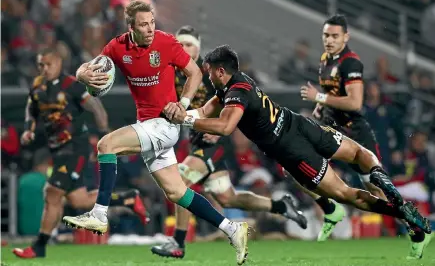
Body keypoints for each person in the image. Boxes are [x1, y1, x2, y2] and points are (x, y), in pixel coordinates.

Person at [163, 45, 432, 249]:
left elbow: (224, 127)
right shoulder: (238, 82)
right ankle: (386, 185)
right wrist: (182, 111)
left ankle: (402, 212)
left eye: (209, 71)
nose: (207, 76)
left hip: (292, 151)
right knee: (361, 154)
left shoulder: (235, 93)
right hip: (300, 124)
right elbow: (204, 112)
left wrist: (184, 120)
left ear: (220, 70)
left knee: (346, 194)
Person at [61, 1, 250, 265]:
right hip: (148, 124)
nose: (150, 29)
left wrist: (182, 104)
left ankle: (100, 213)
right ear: (131, 27)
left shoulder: (166, 43)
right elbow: (88, 66)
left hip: (165, 124)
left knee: (106, 145)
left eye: (151, 22)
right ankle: (233, 229)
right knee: (177, 192)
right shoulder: (117, 47)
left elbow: (195, 73)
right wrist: (83, 75)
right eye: (143, 25)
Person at [151, 26, 306, 259]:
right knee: (228, 197)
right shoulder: (173, 73)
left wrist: (220, 132)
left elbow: (233, 103)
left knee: (179, 182)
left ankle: (178, 242)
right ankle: (281, 206)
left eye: (190, 44)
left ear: (199, 47)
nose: (185, 49)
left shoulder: (209, 72)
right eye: (180, 45)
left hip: (214, 142)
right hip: (197, 141)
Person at [300, 14, 432, 259]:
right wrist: (320, 108)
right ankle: (330, 208)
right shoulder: (325, 61)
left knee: (378, 195)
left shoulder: (351, 64)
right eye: (326, 35)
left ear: (346, 37)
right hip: (333, 131)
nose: (329, 40)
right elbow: (331, 94)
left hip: (355, 134)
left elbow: (354, 102)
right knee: (295, 162)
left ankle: (416, 228)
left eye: (335, 36)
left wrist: (318, 98)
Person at [13, 48, 148, 259]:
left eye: (48, 64)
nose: (44, 69)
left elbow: (97, 108)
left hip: (75, 148)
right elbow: (31, 108)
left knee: (52, 192)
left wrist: (104, 135)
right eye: (41, 65)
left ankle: (39, 246)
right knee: (79, 200)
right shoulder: (38, 87)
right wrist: (29, 129)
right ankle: (127, 199)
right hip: (57, 150)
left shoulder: (71, 86)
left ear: (58, 63)